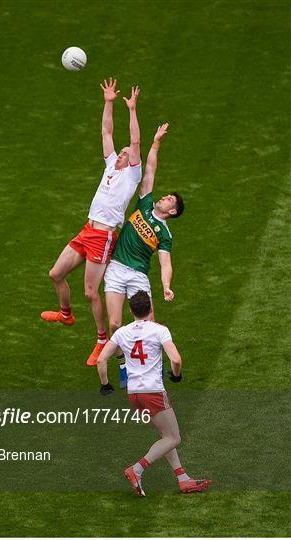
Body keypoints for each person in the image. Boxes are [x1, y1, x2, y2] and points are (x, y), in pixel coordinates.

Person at [41, 78, 142, 366]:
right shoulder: (111, 163)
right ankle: (65, 314)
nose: (124, 153)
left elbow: (135, 141)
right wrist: (108, 102)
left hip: (104, 236)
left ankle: (101, 341)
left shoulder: (132, 174)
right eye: (122, 152)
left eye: (127, 152)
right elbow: (106, 130)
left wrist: (132, 110)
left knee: (89, 291)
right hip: (87, 229)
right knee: (55, 274)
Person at [97, 290, 212, 496]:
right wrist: (176, 376)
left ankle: (183, 478)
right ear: (150, 309)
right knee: (174, 438)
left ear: (130, 310)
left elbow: (101, 360)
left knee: (165, 435)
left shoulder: (121, 332)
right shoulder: (159, 330)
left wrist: (105, 384)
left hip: (134, 396)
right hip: (154, 392)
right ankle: (137, 469)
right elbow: (175, 360)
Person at [103, 123, 185, 387]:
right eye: (166, 196)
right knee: (115, 326)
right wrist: (157, 142)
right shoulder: (146, 202)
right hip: (116, 268)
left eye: (169, 200)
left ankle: (153, 372)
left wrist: (167, 286)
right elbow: (150, 169)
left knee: (150, 327)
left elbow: (165, 263)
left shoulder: (164, 233)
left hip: (138, 275)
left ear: (172, 211)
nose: (164, 198)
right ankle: (125, 366)